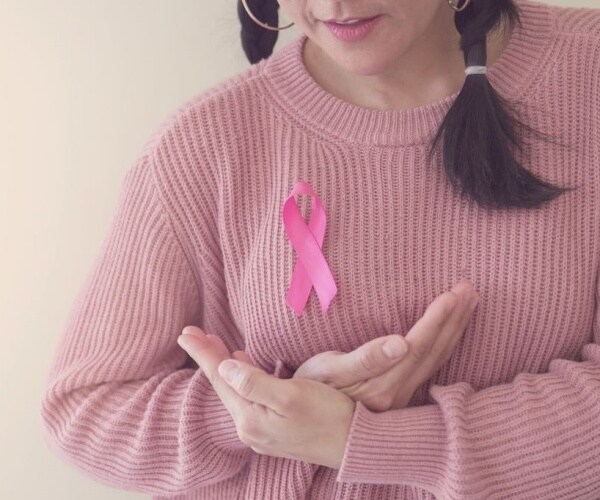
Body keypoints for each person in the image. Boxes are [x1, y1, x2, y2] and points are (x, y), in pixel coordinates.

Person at [40, 0, 600, 498]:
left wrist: (368, 440)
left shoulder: (587, 70)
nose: (335, 5)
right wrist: (258, 410)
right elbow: (86, 411)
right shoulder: (202, 143)